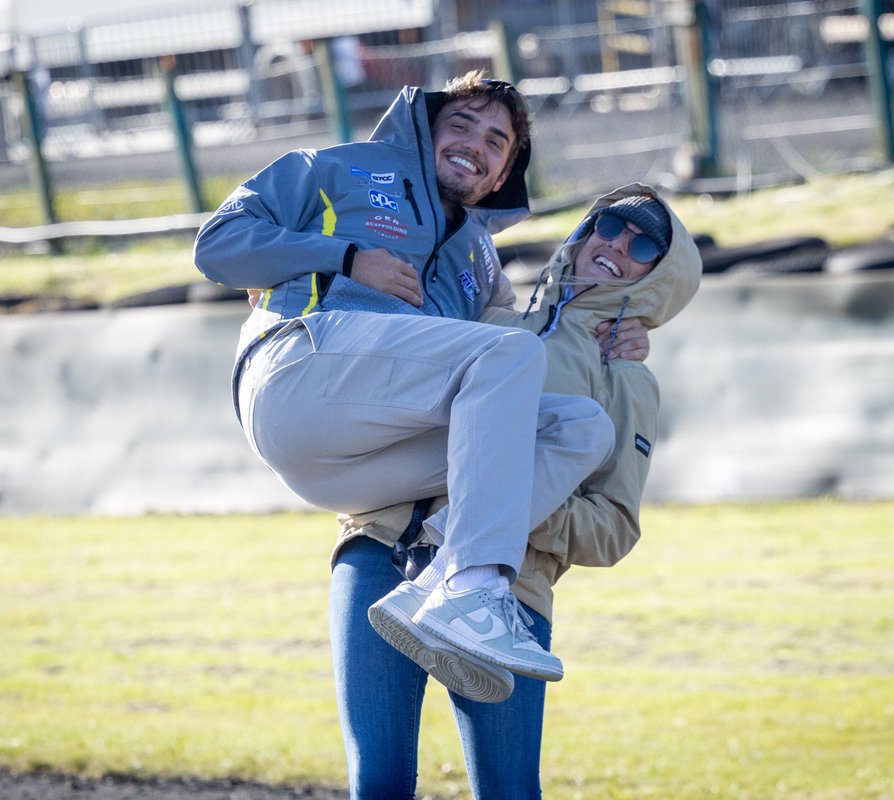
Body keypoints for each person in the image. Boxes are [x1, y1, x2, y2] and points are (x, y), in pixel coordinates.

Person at [194, 73, 644, 703]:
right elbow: (217, 245)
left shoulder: (481, 259)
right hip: (298, 371)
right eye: (460, 124)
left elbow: (518, 353)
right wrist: (345, 258)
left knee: (579, 429)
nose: (475, 144)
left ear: (500, 176)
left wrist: (611, 337)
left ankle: (435, 580)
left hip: (348, 468)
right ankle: (476, 586)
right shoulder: (337, 168)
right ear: (426, 131)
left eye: (496, 141)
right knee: (506, 357)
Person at [330, 184, 703, 798]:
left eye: (644, 247)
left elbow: (615, 528)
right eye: (611, 226)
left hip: (509, 593)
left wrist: (500, 508)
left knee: (507, 791)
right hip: (378, 548)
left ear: (661, 277)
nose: (618, 245)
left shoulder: (628, 375)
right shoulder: (486, 317)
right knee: (378, 781)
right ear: (586, 230)